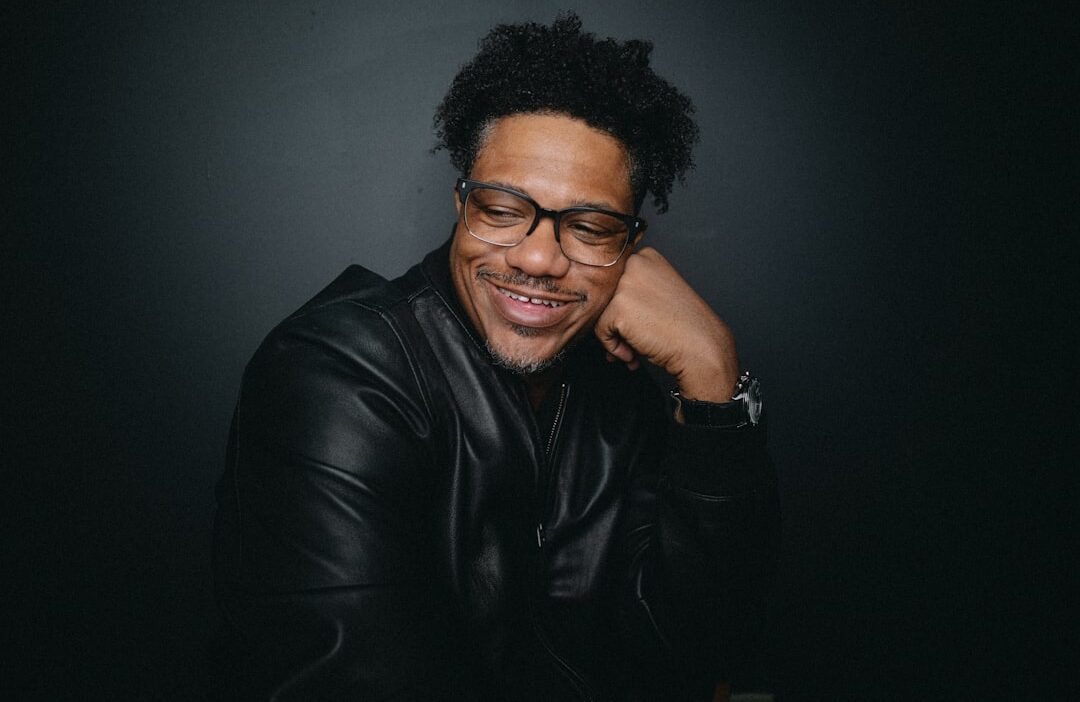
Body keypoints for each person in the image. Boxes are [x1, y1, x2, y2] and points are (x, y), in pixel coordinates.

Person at [212, 13, 778, 701]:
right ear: (461, 206)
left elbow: (698, 650)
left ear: (629, 247)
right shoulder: (334, 375)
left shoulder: (622, 393)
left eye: (591, 227)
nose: (539, 258)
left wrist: (714, 379)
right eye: (503, 211)